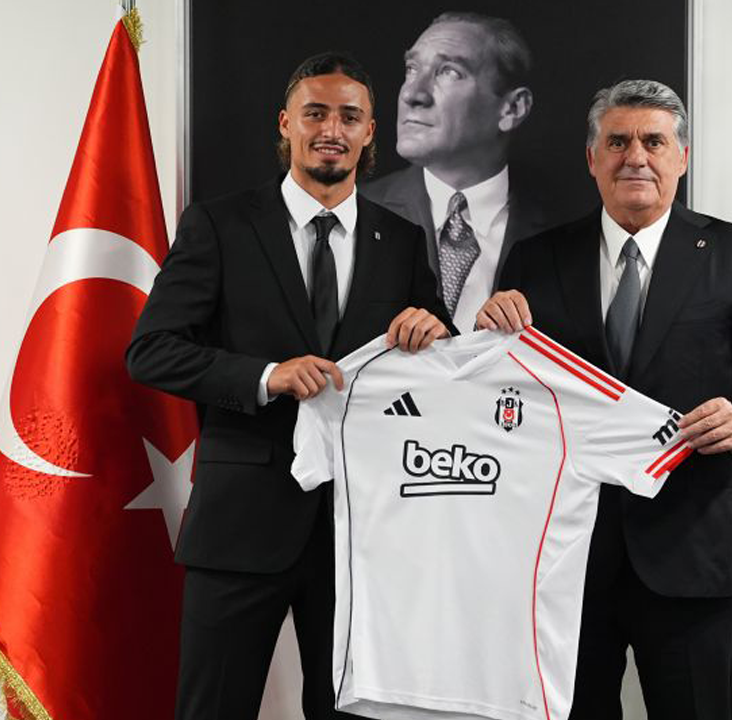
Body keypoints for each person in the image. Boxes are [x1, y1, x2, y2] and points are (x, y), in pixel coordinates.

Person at [126, 52, 453, 720]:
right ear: (286, 123)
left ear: (370, 132)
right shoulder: (220, 224)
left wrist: (438, 331)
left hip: (363, 535)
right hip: (239, 526)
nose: (332, 129)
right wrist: (265, 376)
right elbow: (151, 351)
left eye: (349, 116)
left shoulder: (401, 240)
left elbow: (436, 364)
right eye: (315, 113)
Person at [476, 79, 732, 720]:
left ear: (683, 156)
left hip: (691, 552)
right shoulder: (536, 259)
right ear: (592, 158)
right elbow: (506, 398)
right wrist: (487, 336)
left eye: (654, 141)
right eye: (617, 142)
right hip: (564, 557)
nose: (636, 157)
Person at [361, 11, 551, 331]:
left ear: (512, 108)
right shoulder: (357, 213)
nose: (412, 94)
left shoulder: (565, 232)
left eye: (449, 71)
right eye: (411, 68)